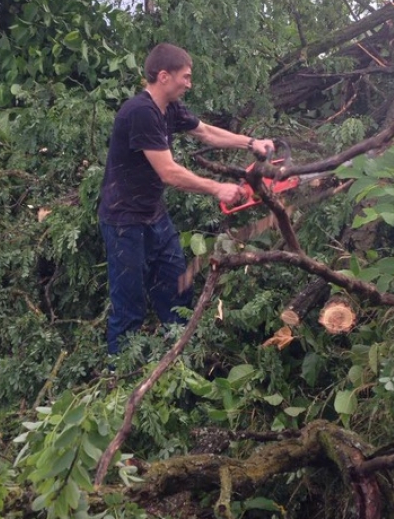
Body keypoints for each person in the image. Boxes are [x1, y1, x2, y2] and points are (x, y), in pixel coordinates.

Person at [98, 43, 275, 356]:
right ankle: (119, 371)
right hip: (124, 220)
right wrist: (216, 188)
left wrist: (251, 143)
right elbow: (168, 172)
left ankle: (178, 359)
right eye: (186, 77)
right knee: (129, 305)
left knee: (176, 287)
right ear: (164, 76)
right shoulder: (141, 112)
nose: (189, 84)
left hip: (154, 214)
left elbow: (206, 132)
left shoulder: (170, 108)